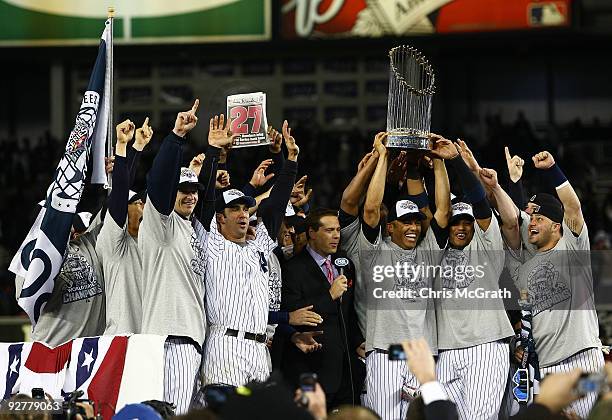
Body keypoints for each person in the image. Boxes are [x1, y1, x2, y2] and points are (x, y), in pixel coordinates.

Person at [503, 151, 604, 418]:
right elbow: (514, 222)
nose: (532, 222)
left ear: (556, 226)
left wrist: (553, 170)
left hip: (583, 360)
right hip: (545, 369)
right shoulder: (523, 269)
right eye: (531, 219)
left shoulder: (573, 249)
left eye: (539, 219)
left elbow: (573, 208)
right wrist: (514, 184)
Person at [358, 133, 453, 420]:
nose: (413, 227)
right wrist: (383, 158)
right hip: (386, 353)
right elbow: (372, 208)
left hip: (421, 356)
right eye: (405, 222)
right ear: (390, 228)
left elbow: (443, 212)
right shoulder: (375, 251)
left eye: (415, 222)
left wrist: (438, 162)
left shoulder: (427, 252)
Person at [201, 119, 299, 388]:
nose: (243, 214)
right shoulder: (213, 244)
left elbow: (277, 204)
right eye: (235, 210)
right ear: (220, 219)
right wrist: (214, 153)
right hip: (226, 347)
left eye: (246, 209)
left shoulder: (259, 246)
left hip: (259, 349)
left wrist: (289, 161)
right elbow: (207, 200)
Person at [433, 137, 515, 420]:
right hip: (446, 350)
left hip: (486, 347)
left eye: (467, 222)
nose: (462, 227)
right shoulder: (436, 250)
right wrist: (433, 164)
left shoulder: (487, 244)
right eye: (456, 222)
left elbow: (480, 204)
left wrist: (456, 161)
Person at [138, 100, 207, 414]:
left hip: (191, 341)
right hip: (171, 338)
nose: (190, 194)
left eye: (193, 189)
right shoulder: (161, 221)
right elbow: (160, 182)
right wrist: (176, 137)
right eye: (183, 190)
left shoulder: (190, 228)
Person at [281, 207, 365, 409]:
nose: (336, 236)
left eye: (337, 230)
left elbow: (348, 312)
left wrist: (357, 342)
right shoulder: (292, 268)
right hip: (312, 369)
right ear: (311, 232)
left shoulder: (344, 264)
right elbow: (297, 316)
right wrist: (329, 296)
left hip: (346, 372)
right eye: (329, 231)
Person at [96, 118, 152, 335]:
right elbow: (119, 193)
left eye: (142, 202)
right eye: (136, 203)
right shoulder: (113, 241)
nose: (142, 207)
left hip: (148, 341)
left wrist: (138, 146)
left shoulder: (149, 242)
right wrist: (122, 146)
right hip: (121, 340)